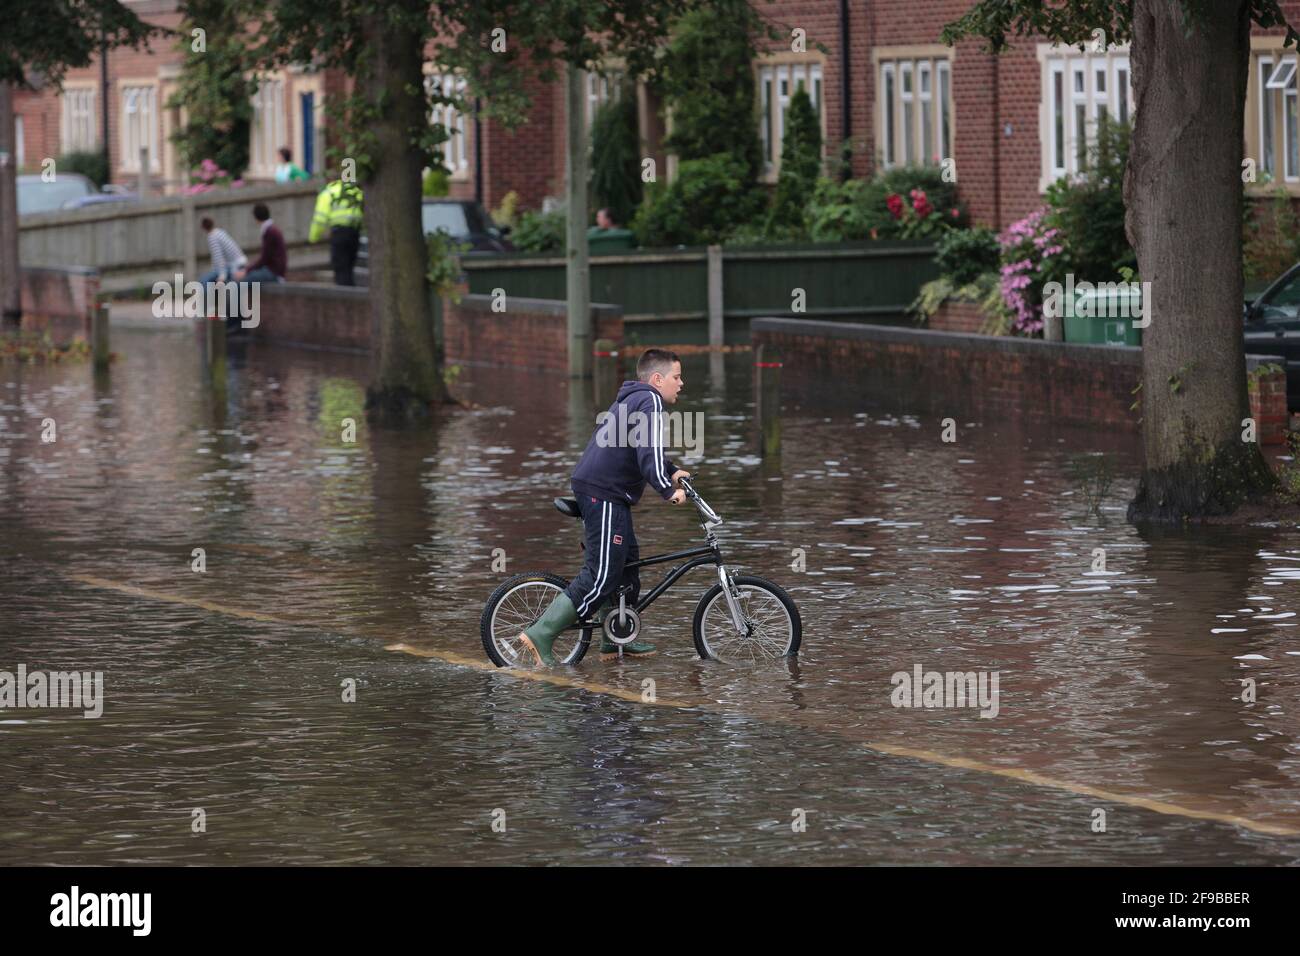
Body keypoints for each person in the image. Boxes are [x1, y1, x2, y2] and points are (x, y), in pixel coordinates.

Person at [516, 348, 691, 666]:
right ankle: (542, 632)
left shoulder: (634, 397)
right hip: (604, 493)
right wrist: (668, 490)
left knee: (626, 566)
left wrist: (670, 470)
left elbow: (640, 445)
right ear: (656, 378)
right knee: (603, 573)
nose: (681, 383)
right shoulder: (649, 399)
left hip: (604, 490)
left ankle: (614, 639)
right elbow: (646, 451)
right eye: (676, 377)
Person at [308, 179, 364, 286]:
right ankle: (350, 294)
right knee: (349, 267)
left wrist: (313, 238)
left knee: (341, 268)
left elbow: (319, 220)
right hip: (354, 233)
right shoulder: (355, 192)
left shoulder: (328, 193)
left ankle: (346, 297)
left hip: (339, 234)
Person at [235, 203, 287, 284]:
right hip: (274, 270)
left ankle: (229, 296)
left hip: (274, 272)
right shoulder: (271, 229)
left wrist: (247, 270)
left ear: (256, 218)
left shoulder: (270, 231)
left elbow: (264, 258)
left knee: (242, 281)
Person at [198, 217, 246, 285]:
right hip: (240, 262)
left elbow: (218, 257)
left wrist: (222, 276)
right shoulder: (219, 232)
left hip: (233, 266)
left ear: (203, 227)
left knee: (203, 281)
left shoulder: (212, 237)